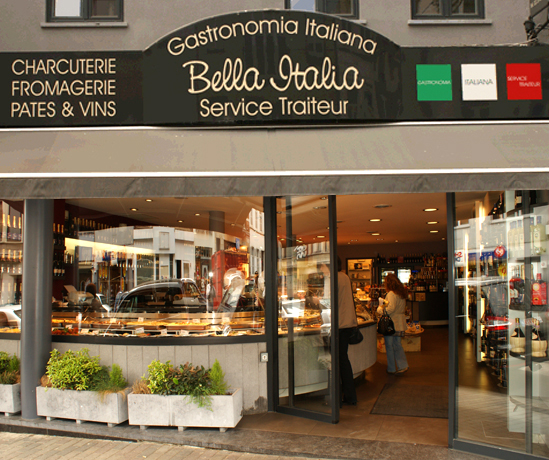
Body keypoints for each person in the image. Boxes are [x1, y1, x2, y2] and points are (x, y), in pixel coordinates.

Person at [377, 273, 409, 374]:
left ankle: (391, 368)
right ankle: (402, 365)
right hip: (399, 322)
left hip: (391, 324)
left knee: (389, 346)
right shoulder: (401, 293)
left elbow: (390, 309)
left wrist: (380, 309)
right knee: (397, 345)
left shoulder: (391, 294)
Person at [337, 256, 358, 406]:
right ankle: (349, 395)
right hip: (346, 324)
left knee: (341, 360)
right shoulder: (344, 277)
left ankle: (345, 396)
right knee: (343, 360)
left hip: (339, 324)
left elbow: (328, 302)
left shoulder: (334, 278)